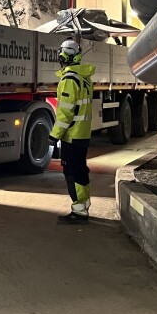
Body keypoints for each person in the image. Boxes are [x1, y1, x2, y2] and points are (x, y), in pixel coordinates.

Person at [48, 38, 96, 224]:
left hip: (72, 136)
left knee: (72, 173)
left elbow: (65, 113)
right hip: (82, 134)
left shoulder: (69, 80)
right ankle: (83, 207)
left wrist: (54, 135)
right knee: (81, 171)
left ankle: (79, 212)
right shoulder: (84, 78)